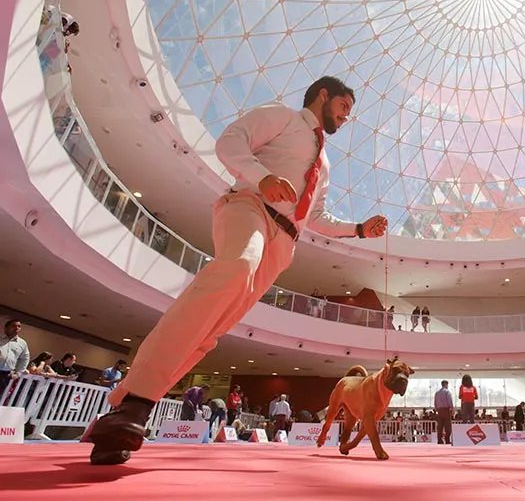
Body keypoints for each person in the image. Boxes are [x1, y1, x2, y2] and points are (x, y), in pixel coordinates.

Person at [87, 76, 388, 465]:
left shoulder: (325, 163)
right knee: (236, 267)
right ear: (323, 95)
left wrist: (359, 229)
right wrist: (261, 177)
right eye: (345, 105)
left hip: (284, 242)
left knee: (214, 327)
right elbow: (230, 142)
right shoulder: (282, 117)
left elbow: (315, 216)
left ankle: (130, 407)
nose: (348, 116)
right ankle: (135, 401)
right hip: (250, 207)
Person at [0, 319, 30, 395]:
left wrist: (18, 373)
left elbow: (25, 359)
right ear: (6, 328)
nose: (16, 328)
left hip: (5, 374)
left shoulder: (22, 343)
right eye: (13, 326)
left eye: (19, 326)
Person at [433, 380, 453, 444]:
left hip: (439, 410)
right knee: (448, 426)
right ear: (446, 384)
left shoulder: (437, 393)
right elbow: (450, 401)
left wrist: (436, 409)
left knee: (440, 426)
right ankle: (447, 440)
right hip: (446, 410)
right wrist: (452, 409)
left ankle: (439, 440)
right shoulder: (447, 392)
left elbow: (435, 402)